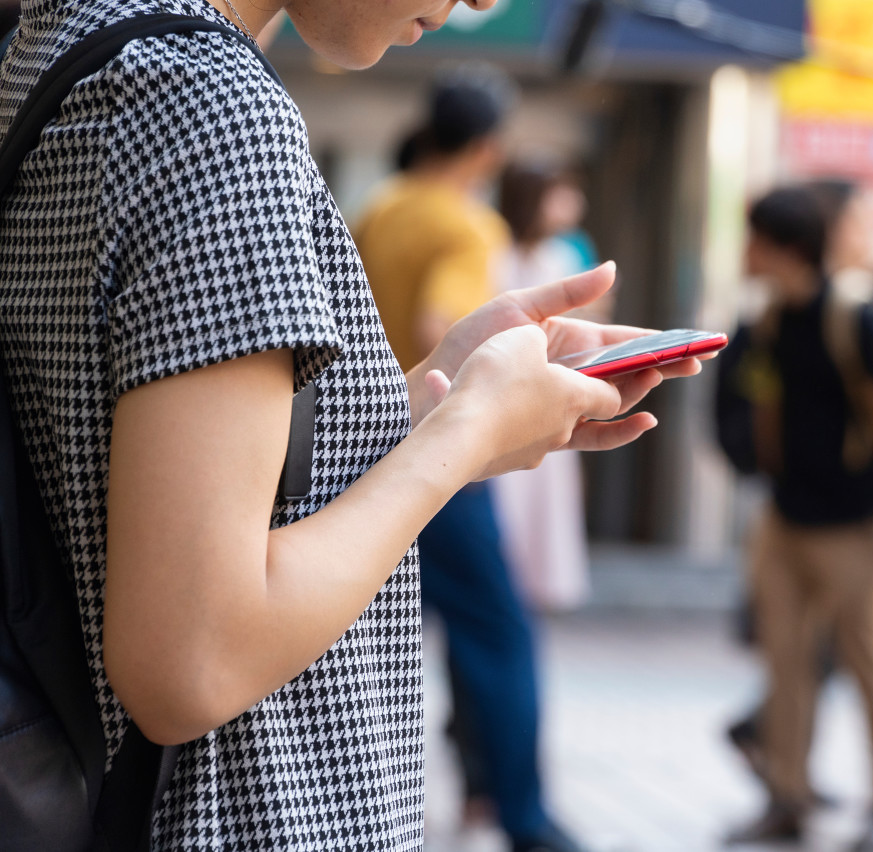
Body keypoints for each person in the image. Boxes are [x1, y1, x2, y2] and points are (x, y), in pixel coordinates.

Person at [0, 0, 698, 848]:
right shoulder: (208, 105)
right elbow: (191, 658)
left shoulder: (63, 46)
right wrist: (463, 435)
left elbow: (127, 460)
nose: (483, 2)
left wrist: (420, 411)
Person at [354, 80, 591, 852]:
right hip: (436, 446)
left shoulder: (380, 205)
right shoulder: (464, 222)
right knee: (498, 631)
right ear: (486, 149)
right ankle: (523, 816)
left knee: (377, 635)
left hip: (360, 442)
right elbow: (442, 328)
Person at [717, 186, 873, 852]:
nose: (745, 253)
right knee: (786, 662)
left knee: (867, 664)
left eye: (754, 240)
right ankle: (787, 795)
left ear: (784, 248)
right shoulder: (768, 319)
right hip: (785, 515)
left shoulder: (855, 318)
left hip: (852, 521)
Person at [490, 162, 597, 613]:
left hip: (552, 394)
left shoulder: (566, 255)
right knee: (506, 504)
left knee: (542, 499)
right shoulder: (494, 250)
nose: (573, 205)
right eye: (561, 193)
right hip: (502, 400)